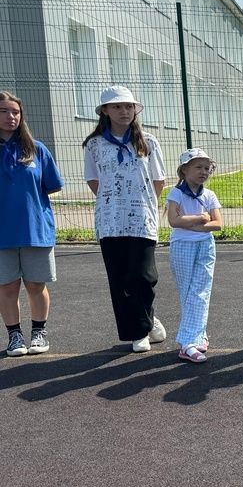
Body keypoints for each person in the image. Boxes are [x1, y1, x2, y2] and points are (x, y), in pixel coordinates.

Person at [83, 85, 167, 352]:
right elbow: (93, 180)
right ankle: (138, 331)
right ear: (105, 111)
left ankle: (147, 319)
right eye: (117, 107)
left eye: (128, 106)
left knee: (144, 276)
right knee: (120, 279)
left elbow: (158, 180)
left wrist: (139, 201)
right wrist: (114, 201)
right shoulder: (94, 144)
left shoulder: (148, 141)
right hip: (110, 220)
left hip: (142, 218)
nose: (124, 111)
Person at [0, 91, 63, 357]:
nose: (10, 116)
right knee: (7, 286)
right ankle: (14, 336)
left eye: (15, 111)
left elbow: (52, 185)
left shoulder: (37, 149)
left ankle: (39, 332)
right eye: (3, 111)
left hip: (35, 229)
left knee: (36, 285)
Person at [166, 148, 222, 363]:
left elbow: (217, 224)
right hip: (181, 246)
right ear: (184, 170)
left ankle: (189, 341)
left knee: (201, 290)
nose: (203, 171)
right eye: (198, 167)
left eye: (207, 168)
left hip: (205, 246)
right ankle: (194, 338)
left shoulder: (209, 195)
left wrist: (191, 223)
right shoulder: (176, 193)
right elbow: (173, 221)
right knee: (188, 292)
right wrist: (200, 218)